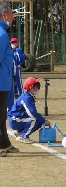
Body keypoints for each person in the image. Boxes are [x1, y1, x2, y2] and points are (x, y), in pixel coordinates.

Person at [0, 2, 19, 157]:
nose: (13, 18)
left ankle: (4, 144)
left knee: (1, 115)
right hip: (0, 82)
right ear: (4, 15)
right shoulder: (1, 34)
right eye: (12, 14)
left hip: (3, 81)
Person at [7, 77, 51, 144]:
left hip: (17, 119)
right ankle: (23, 136)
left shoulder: (28, 96)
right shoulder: (27, 98)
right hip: (15, 120)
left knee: (38, 120)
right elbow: (32, 113)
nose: (38, 89)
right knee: (35, 119)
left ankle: (19, 132)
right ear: (31, 88)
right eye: (36, 87)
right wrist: (44, 120)